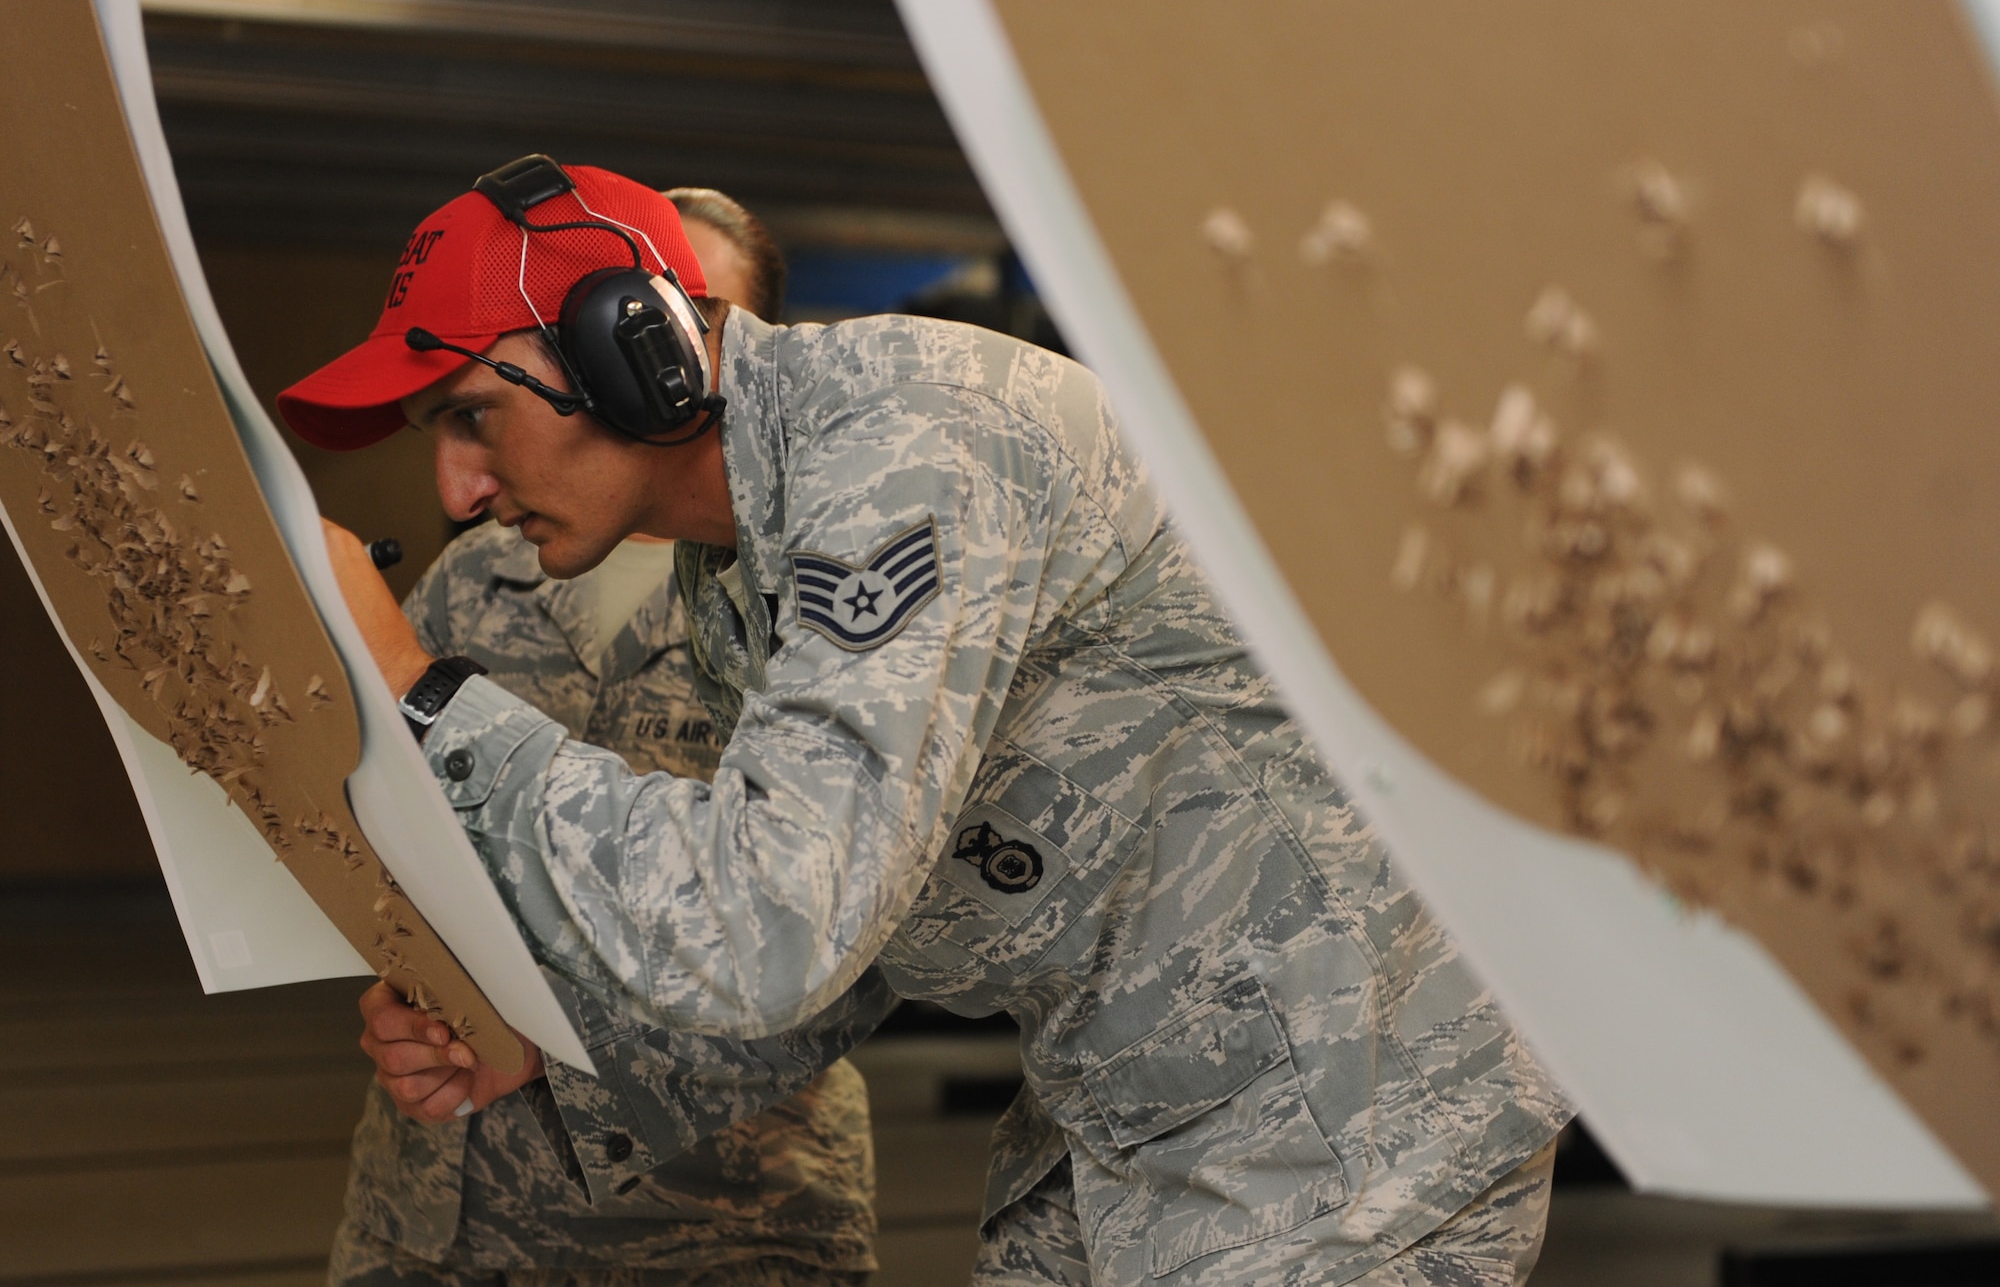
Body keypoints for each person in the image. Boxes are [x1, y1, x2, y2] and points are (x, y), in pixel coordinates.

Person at [286, 159, 1573, 1285]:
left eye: (470, 414)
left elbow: (767, 924)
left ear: (637, 351)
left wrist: (420, 692)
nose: (456, 485)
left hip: (1342, 1108)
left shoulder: (911, 442)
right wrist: (555, 1059)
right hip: (1137, 1109)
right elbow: (863, 934)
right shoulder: (739, 569)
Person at [328, 187, 894, 1287]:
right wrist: (411, 989)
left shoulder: (830, 596)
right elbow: (397, 842)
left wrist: (564, 1043)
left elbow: (837, 933)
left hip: (721, 1221)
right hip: (441, 1213)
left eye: (689, 330)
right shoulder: (475, 576)